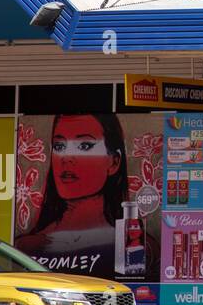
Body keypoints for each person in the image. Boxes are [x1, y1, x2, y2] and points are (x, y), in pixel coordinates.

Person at [15, 114, 139, 278]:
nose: (66, 158)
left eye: (85, 146)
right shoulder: (27, 246)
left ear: (114, 162)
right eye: (59, 146)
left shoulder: (133, 243)